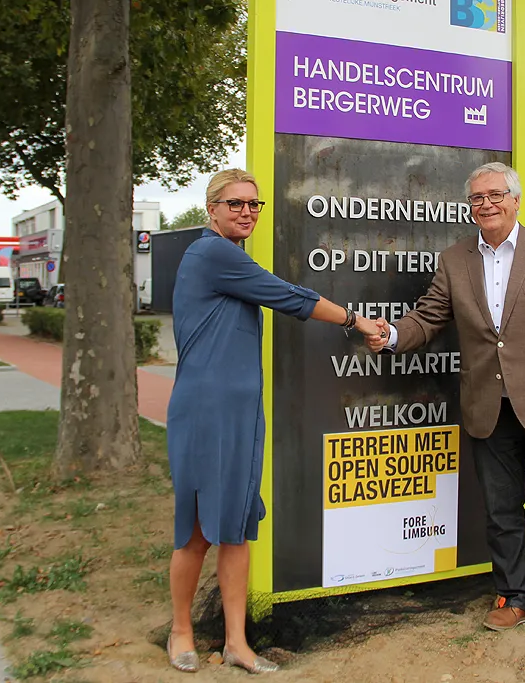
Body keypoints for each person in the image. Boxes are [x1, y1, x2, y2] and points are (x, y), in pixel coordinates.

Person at [368, 162, 525, 639]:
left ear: (516, 199)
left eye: (494, 195)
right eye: (476, 198)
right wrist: (390, 336)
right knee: (503, 512)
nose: (485, 204)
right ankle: (517, 596)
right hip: (488, 406)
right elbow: (428, 318)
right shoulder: (455, 259)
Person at [165, 168, 384, 674]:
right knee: (198, 529)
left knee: (237, 526)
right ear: (212, 209)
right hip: (204, 411)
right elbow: (290, 296)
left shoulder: (233, 255)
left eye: (254, 205)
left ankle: (237, 643)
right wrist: (356, 321)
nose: (247, 212)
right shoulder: (211, 253)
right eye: (235, 203)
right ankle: (181, 631)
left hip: (241, 411)